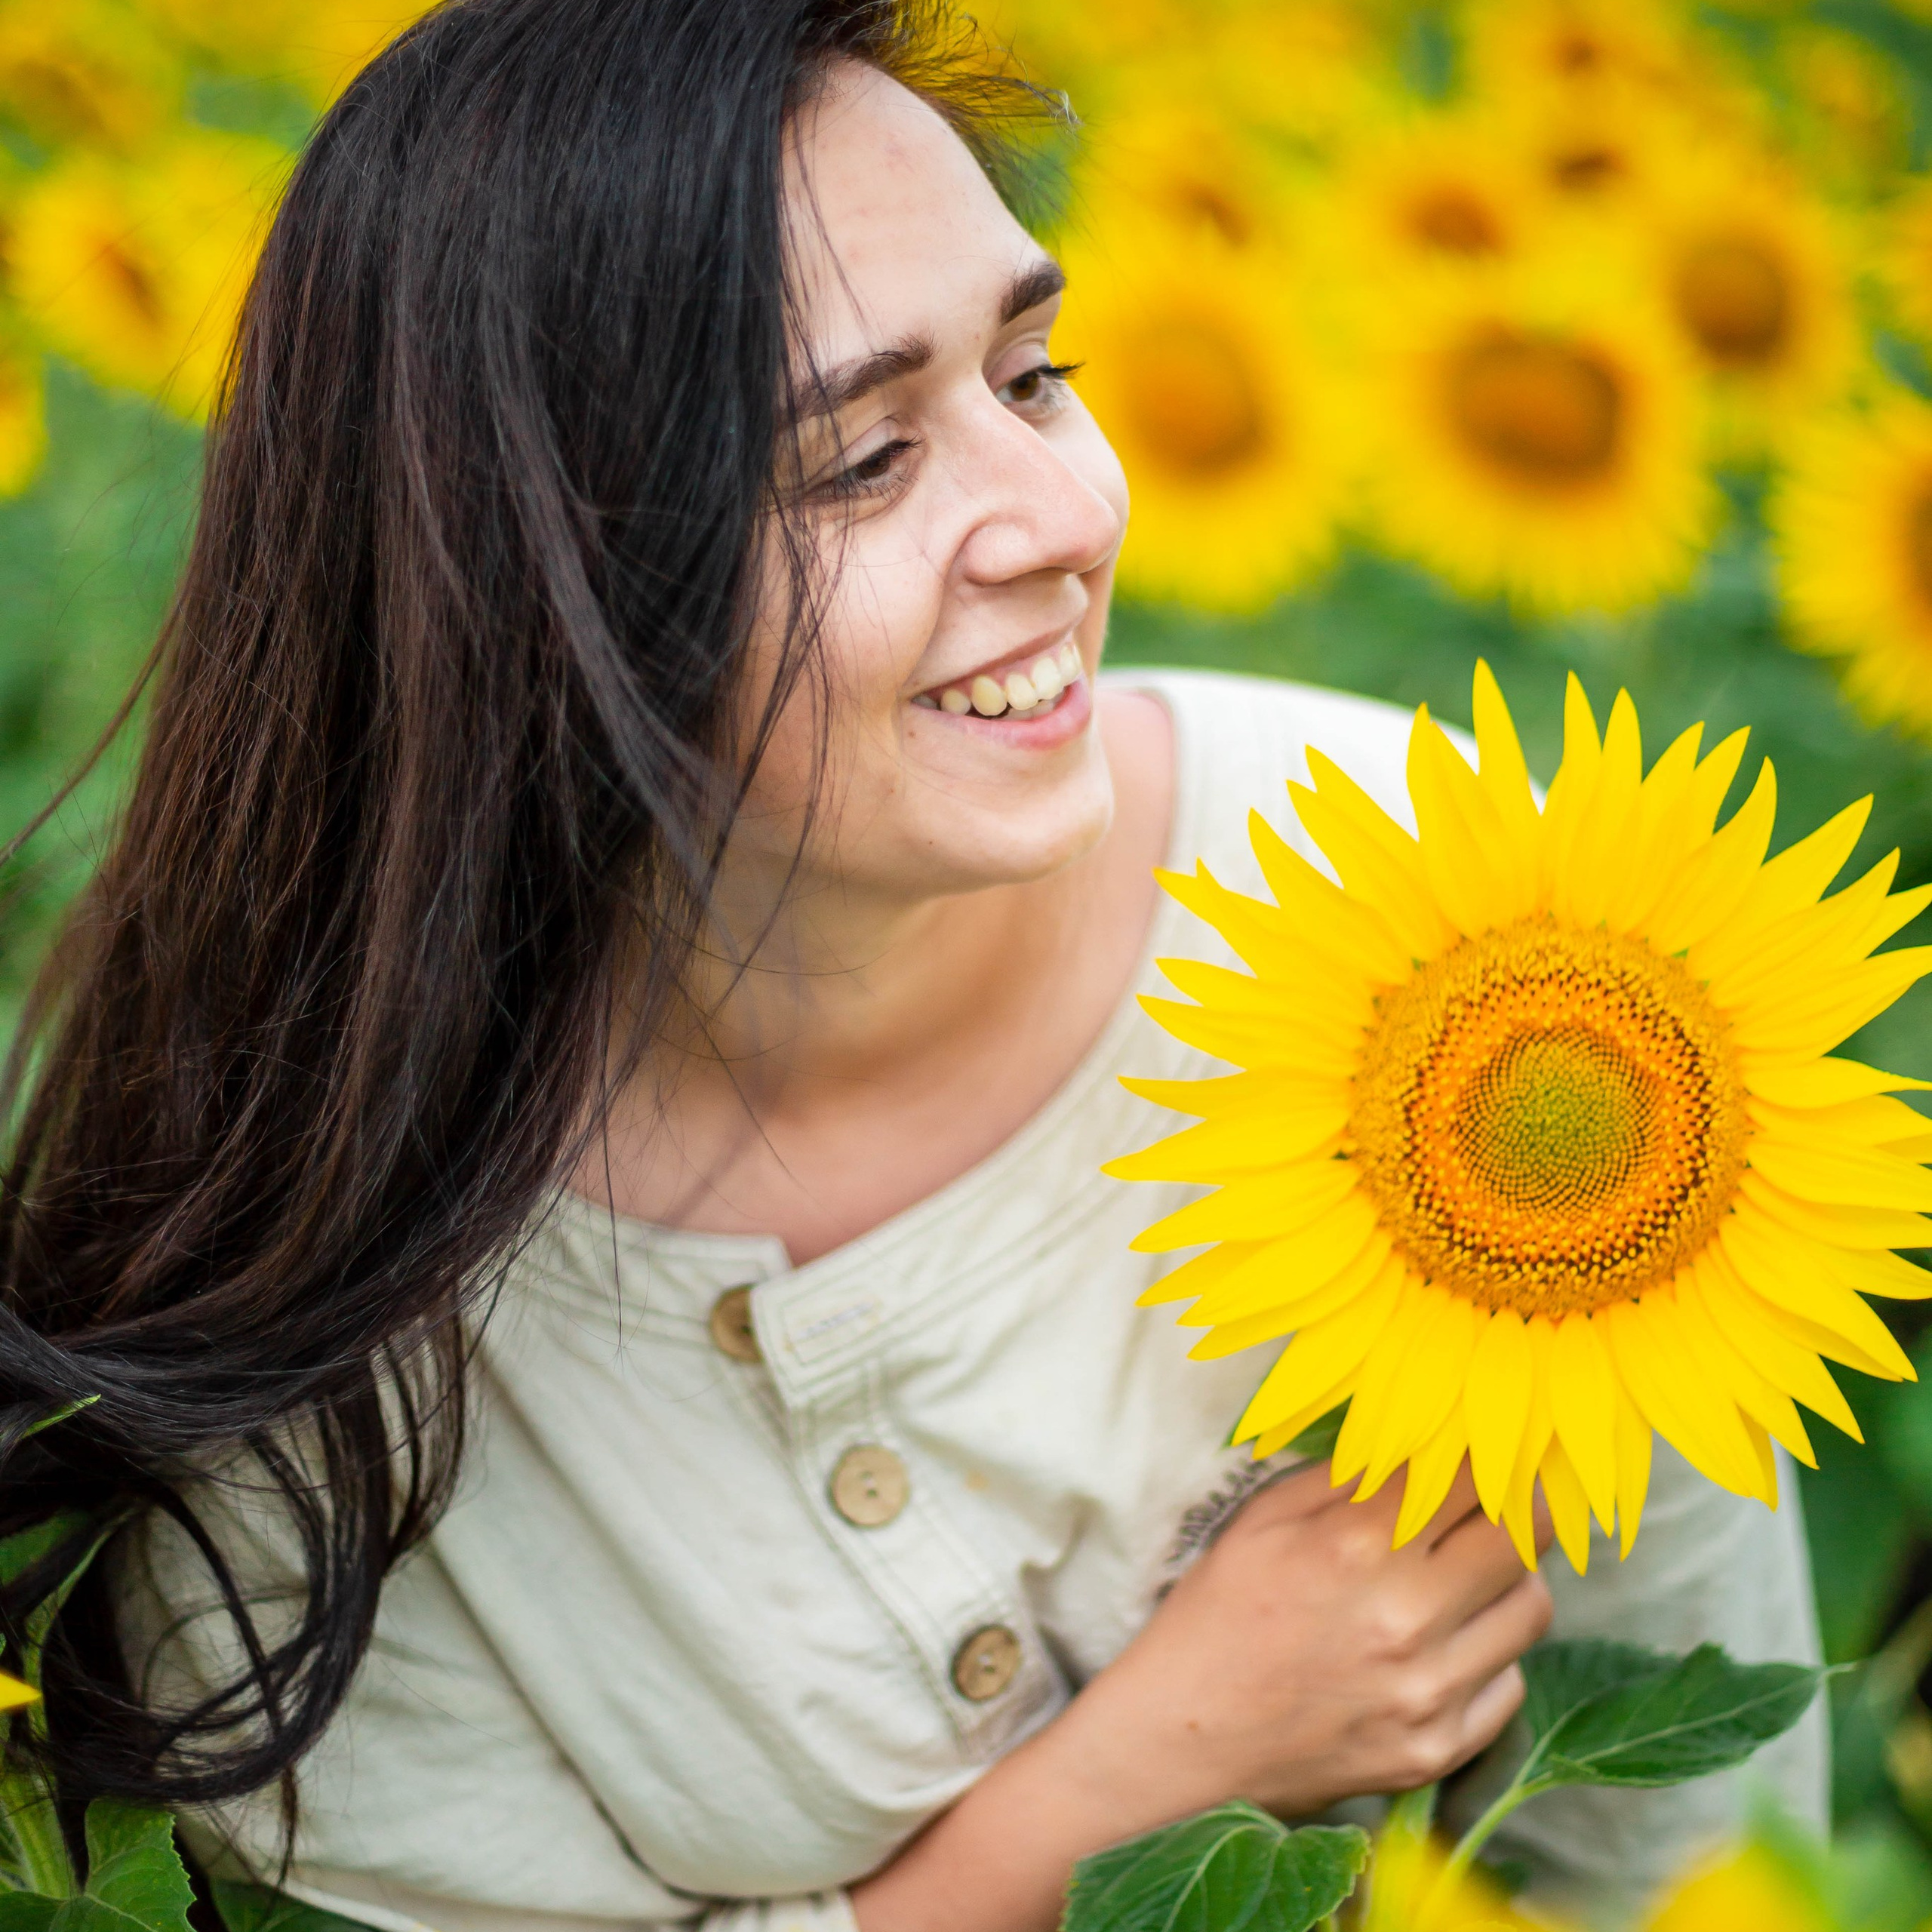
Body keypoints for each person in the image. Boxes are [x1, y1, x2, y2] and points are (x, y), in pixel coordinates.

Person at [1, 2, 1821, 1928]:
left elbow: (1702, 1853)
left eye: (1033, 375)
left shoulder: (1473, 928)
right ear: (529, 594)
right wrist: (1148, 1777)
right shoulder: (290, 1327)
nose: (1064, 515)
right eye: (861, 459)